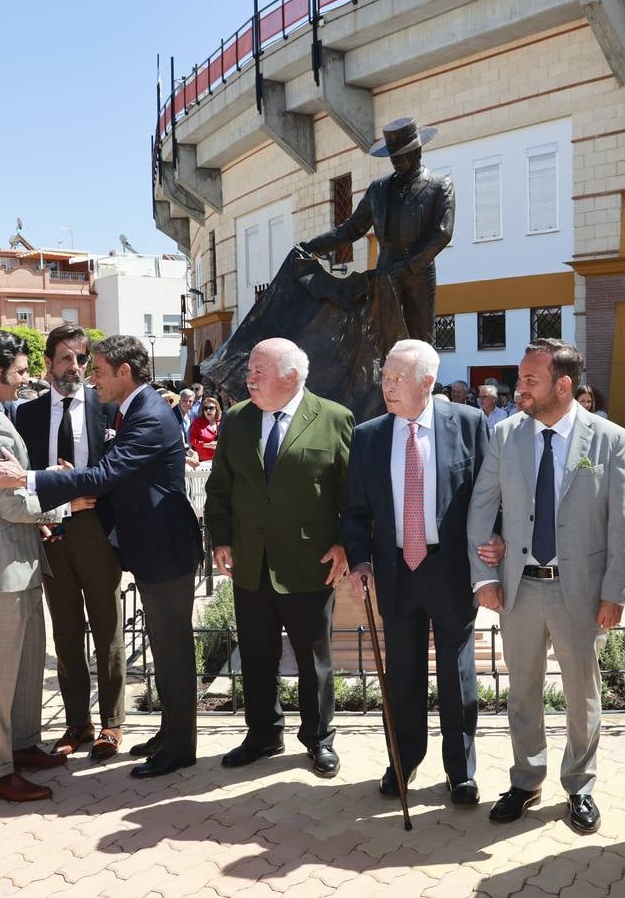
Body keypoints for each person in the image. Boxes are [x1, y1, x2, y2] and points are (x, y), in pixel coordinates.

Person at [0, 334, 202, 777]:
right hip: (152, 547)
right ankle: (170, 732)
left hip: (165, 549)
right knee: (163, 646)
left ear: (124, 372)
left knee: (173, 650)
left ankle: (180, 747)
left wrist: (27, 478)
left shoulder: (149, 414)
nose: (89, 376)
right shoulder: (136, 408)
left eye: (97, 369)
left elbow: (106, 474)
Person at [466, 338, 625, 832]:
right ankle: (526, 780)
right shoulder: (505, 435)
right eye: (520, 379)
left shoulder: (609, 439)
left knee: (582, 694)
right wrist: (485, 575)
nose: (518, 388)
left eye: (529, 380)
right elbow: (482, 507)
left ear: (562, 386)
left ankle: (580, 784)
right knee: (522, 692)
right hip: (519, 589)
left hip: (581, 592)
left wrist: (615, 592)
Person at [342, 340, 499, 806]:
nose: (385, 385)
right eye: (385, 376)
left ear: (427, 382)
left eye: (396, 378)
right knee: (403, 672)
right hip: (396, 570)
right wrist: (360, 559)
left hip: (449, 569)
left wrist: (496, 547)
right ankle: (404, 759)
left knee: (457, 674)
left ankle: (460, 771)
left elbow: (490, 496)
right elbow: (354, 511)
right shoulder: (370, 435)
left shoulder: (469, 426)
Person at [0, 329, 88, 803]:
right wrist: (66, 499)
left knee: (24, 664)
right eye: (21, 372)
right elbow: (10, 505)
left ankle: (21, 745)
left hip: (14, 560)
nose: (28, 380)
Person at [205, 337, 353, 777]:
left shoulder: (333, 418)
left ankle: (318, 739)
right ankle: (263, 734)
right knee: (256, 654)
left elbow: (351, 492)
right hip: (251, 563)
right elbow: (221, 487)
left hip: (309, 563)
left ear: (291, 376)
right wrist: (222, 539)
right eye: (250, 370)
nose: (248, 378)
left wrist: (346, 544)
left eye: (259, 371)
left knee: (313, 661)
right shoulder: (237, 419)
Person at [5, 325, 128, 762]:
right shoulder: (26, 415)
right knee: (66, 634)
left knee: (109, 630)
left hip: (97, 531)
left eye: (81, 358)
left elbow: (118, 470)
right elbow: (19, 477)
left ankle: (112, 723)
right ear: (48, 364)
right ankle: (77, 724)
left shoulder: (107, 408)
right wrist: (45, 510)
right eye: (65, 358)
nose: (74, 367)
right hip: (50, 533)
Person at [300, 118, 454, 345]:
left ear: (418, 151)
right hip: (385, 272)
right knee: (381, 339)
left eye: (402, 154)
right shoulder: (378, 190)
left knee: (421, 341)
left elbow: (442, 233)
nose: (396, 161)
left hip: (419, 274)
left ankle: (424, 381)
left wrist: (408, 267)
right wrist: (310, 247)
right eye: (393, 156)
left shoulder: (439, 185)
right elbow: (351, 229)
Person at [188, 396, 222, 462]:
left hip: (219, 459)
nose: (208, 410)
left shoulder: (221, 421)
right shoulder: (197, 422)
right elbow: (192, 440)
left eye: (211, 408)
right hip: (203, 461)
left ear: (216, 409)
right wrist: (206, 445)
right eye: (205, 408)